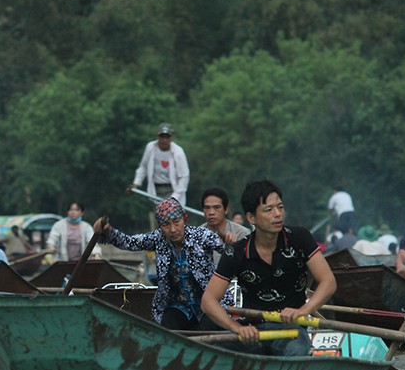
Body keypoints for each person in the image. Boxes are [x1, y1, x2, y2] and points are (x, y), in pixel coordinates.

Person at [201, 180, 336, 356]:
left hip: (291, 331)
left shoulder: (299, 238)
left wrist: (303, 311)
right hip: (252, 331)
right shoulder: (236, 252)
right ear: (251, 218)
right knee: (212, 353)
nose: (278, 214)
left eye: (280, 207)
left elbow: (328, 281)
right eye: (268, 210)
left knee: (296, 351)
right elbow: (208, 301)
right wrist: (235, 328)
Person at [93, 197, 231, 331]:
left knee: (207, 334)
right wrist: (108, 231)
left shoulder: (202, 235)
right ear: (160, 227)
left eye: (176, 222)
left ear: (184, 219)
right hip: (178, 305)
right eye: (166, 225)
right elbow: (129, 242)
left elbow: (229, 252)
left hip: (209, 303)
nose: (172, 229)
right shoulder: (157, 238)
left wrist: (229, 243)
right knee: (166, 333)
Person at [130, 123, 190, 207]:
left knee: (171, 217)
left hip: (173, 190)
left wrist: (174, 197)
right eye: (162, 137)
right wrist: (136, 184)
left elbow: (184, 177)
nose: (164, 140)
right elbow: (143, 167)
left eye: (167, 137)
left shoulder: (178, 152)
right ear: (158, 137)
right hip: (156, 190)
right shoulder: (150, 148)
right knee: (158, 217)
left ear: (171, 138)